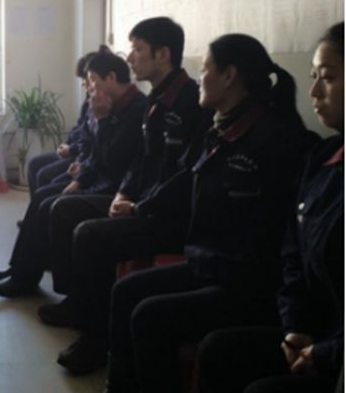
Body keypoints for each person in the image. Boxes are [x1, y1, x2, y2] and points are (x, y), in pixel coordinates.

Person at [102, 33, 312, 393]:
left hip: (245, 281)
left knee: (149, 316)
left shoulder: (276, 139)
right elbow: (186, 179)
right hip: (211, 263)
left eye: (205, 69)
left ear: (229, 76)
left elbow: (275, 236)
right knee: (126, 292)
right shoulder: (220, 128)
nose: (200, 78)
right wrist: (141, 207)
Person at [44, 16, 210, 373]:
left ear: (162, 54)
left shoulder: (190, 104)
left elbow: (185, 174)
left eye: (137, 49)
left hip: (168, 215)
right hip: (141, 202)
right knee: (65, 210)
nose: (130, 58)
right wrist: (123, 193)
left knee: (89, 234)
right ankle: (78, 306)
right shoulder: (156, 100)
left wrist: (138, 207)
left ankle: (95, 338)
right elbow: (140, 161)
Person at [197, 22, 343, 393]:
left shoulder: (279, 138)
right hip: (310, 327)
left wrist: (324, 353)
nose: (313, 91)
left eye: (327, 78)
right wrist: (295, 327)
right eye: (313, 77)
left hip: (332, 347)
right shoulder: (323, 157)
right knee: (218, 352)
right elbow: (294, 251)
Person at [0, 48, 147, 297]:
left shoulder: (136, 108)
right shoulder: (111, 103)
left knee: (51, 204)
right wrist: (83, 173)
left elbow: (113, 162)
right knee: (42, 196)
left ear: (111, 78)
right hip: (97, 177)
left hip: (114, 188)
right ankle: (20, 271)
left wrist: (101, 124)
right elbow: (93, 148)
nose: (89, 86)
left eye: (92, 79)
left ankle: (34, 281)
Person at [25, 51, 98, 199]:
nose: (84, 83)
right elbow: (79, 127)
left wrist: (71, 149)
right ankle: (36, 206)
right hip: (73, 150)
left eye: (86, 78)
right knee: (34, 164)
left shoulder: (101, 103)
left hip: (80, 155)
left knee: (44, 175)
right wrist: (66, 144)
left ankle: (40, 208)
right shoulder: (88, 100)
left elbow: (91, 141)